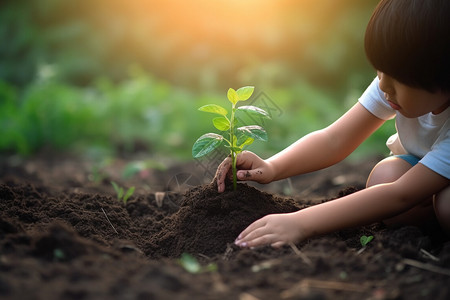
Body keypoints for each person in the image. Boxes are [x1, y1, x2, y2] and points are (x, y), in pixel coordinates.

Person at [214, 0, 450, 248]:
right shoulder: (394, 87)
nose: (382, 86)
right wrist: (272, 167)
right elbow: (334, 140)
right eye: (380, 71)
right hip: (429, 178)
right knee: (385, 176)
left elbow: (401, 194)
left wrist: (301, 222)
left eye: (396, 79)